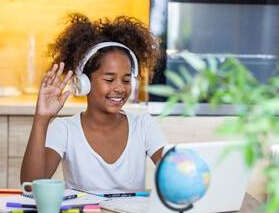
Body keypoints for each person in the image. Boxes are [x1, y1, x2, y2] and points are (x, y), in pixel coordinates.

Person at [20, 12, 168, 189]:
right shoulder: (65, 130)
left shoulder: (144, 127)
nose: (120, 88)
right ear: (83, 83)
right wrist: (41, 119)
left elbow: (175, 175)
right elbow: (30, 186)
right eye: (109, 80)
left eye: (127, 80)